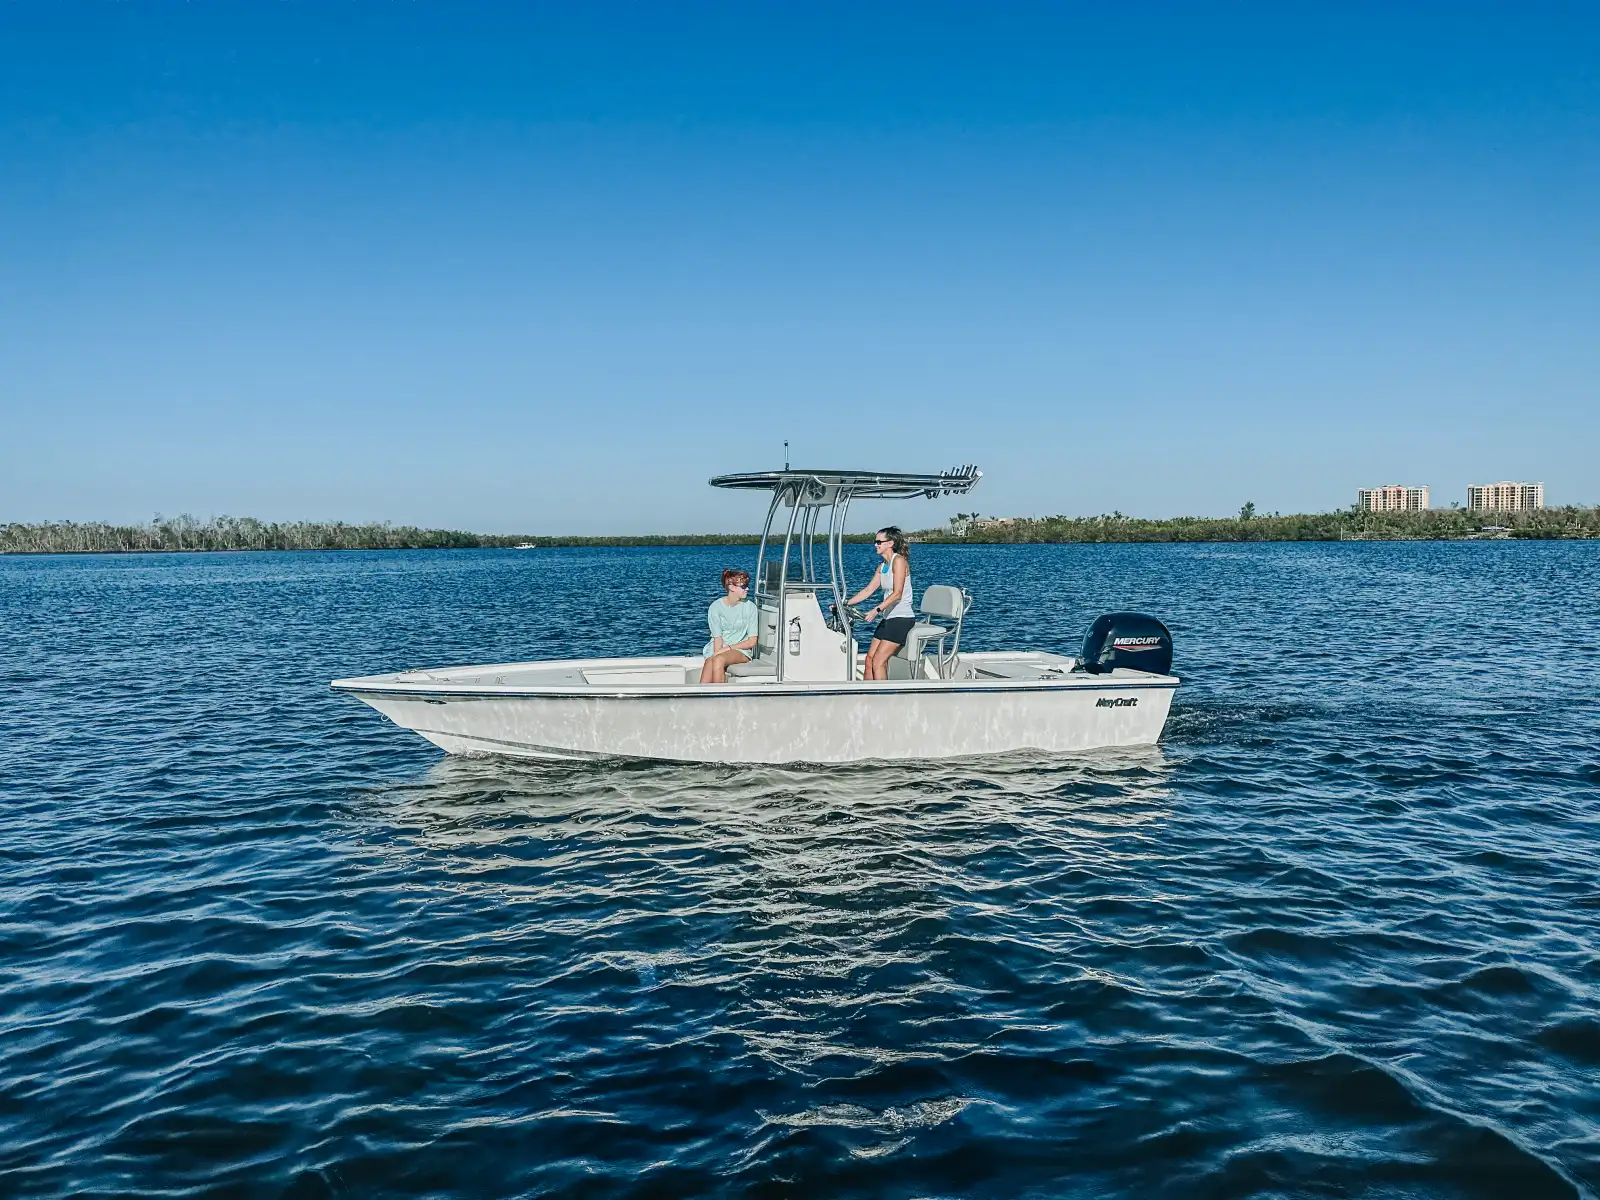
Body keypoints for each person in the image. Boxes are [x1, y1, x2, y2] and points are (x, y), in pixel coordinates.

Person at [847, 526, 914, 680]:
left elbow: (897, 594)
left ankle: (883, 700)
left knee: (878, 661)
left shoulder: (899, 561)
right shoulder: (882, 567)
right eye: (874, 541)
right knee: (869, 659)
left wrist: (875, 610)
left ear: (890, 543)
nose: (875, 545)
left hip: (901, 618)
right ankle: (866, 697)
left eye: (879, 542)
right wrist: (844, 604)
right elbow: (868, 590)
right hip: (888, 618)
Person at [701, 568, 758, 683]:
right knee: (710, 661)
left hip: (741, 650)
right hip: (719, 647)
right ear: (731, 587)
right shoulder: (715, 607)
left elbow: (752, 641)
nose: (747, 589)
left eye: (747, 585)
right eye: (743, 586)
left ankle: (720, 698)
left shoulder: (750, 607)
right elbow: (718, 638)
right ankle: (699, 697)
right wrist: (718, 652)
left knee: (718, 660)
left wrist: (728, 648)